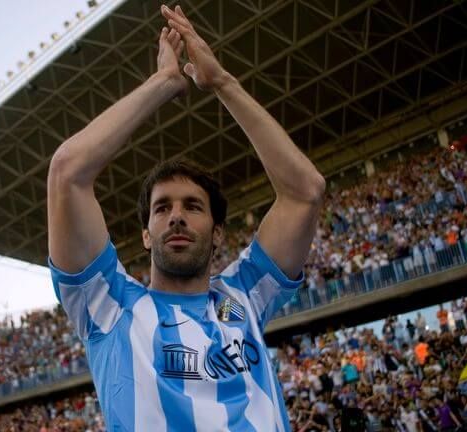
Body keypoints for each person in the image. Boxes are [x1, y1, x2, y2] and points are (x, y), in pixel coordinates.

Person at [47, 5, 325, 430]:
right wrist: (163, 82)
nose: (176, 217)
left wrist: (223, 83)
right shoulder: (110, 306)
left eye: (193, 206)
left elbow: (305, 192)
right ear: (146, 235)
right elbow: (68, 172)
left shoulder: (241, 298)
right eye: (162, 208)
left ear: (217, 234)